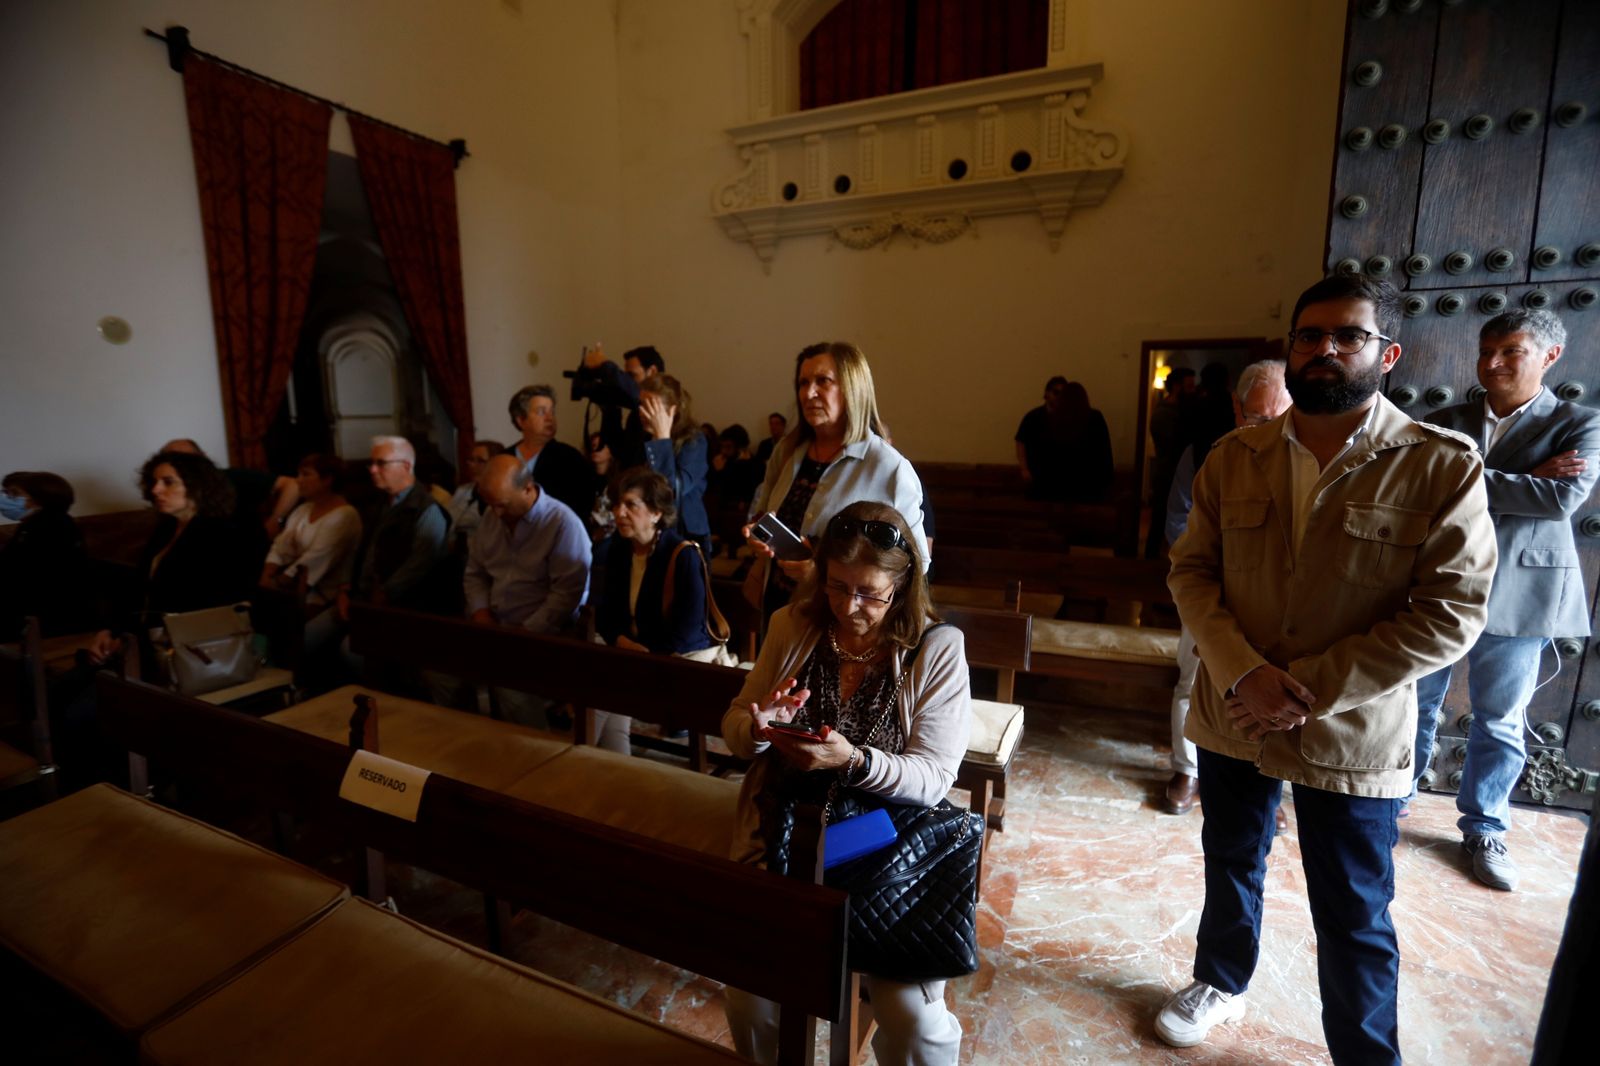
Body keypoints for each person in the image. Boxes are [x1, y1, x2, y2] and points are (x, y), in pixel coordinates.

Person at [1155, 274, 1496, 1062]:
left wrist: (1306, 691)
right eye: (1309, 336)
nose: (1325, 349)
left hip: (1352, 729)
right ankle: (1220, 978)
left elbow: (1452, 610)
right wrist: (1243, 673)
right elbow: (1192, 574)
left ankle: (1366, 1052)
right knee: (1231, 859)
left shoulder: (1438, 465)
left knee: (1353, 907)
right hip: (1235, 714)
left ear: (1388, 354)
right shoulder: (1232, 458)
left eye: (1348, 335)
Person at [721, 501, 970, 1066]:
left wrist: (853, 761)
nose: (850, 606)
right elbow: (737, 725)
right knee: (748, 997)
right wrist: (761, 728)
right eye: (837, 586)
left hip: (889, 850)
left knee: (915, 1021)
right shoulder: (794, 626)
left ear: (903, 585)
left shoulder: (937, 649)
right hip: (787, 838)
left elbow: (933, 779)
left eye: (870, 593)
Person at [1409, 308, 1600, 890]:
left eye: (1509, 351)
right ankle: (1392, 800)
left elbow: (1561, 500)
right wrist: (1525, 476)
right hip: (1439, 586)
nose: (1490, 364)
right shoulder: (1446, 418)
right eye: (1485, 350)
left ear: (1549, 356)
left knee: (1500, 719)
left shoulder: (1580, 423)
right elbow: (1423, 490)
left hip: (1525, 592)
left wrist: (1474, 476)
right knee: (1413, 707)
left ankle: (1485, 827)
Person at [1160, 361, 1292, 822]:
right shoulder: (1205, 453)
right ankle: (1187, 770)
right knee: (1193, 680)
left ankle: (1265, 783)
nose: (1267, 430)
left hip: (1281, 606)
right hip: (1210, 595)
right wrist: (1213, 581)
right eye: (1256, 418)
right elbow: (1178, 522)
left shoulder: (1309, 457)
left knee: (1277, 692)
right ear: (1236, 408)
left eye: (1278, 418)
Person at [745, 342, 928, 625]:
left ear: (852, 388)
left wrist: (823, 572)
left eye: (823, 381)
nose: (809, 393)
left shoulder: (888, 467)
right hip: (781, 611)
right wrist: (759, 535)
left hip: (842, 620)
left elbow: (917, 565)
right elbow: (763, 512)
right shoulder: (786, 452)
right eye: (803, 383)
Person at [442, 453, 589, 728]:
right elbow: (475, 573)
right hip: (495, 626)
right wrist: (481, 612)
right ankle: (469, 740)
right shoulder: (492, 516)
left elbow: (565, 597)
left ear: (528, 489)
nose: (496, 513)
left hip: (545, 635)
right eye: (491, 504)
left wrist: (524, 633)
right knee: (439, 673)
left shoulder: (562, 524)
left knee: (509, 686)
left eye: (502, 505)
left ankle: (535, 752)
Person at [87, 450, 257, 670]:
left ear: (197, 487)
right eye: (154, 482)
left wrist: (132, 641)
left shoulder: (221, 534)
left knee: (86, 691)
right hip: (150, 641)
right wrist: (110, 631)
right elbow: (140, 590)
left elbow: (199, 604)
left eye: (168, 482)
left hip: (191, 651)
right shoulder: (166, 528)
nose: (156, 489)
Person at [303, 437, 449, 689]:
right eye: (372, 463)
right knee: (306, 636)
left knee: (351, 651)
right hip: (360, 597)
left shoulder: (426, 510)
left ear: (405, 466)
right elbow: (357, 552)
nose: (372, 469)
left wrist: (380, 597)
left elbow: (417, 568)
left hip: (399, 606)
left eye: (380, 463)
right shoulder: (377, 503)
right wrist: (345, 589)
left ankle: (384, 704)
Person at [260, 453, 363, 613]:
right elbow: (280, 546)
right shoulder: (303, 509)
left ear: (327, 479)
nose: (298, 480)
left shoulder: (345, 515)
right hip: (294, 592)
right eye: (298, 474)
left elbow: (315, 558)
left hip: (327, 598)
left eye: (306, 474)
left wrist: (277, 583)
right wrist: (268, 571)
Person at [0, 471, 93, 636]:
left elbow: (28, 573)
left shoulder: (54, 525)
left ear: (39, 498)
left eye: (14, 493)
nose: (5, 498)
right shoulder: (32, 524)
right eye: (5, 492)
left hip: (49, 615)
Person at [639, 374, 711, 544]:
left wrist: (662, 438)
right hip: (647, 532)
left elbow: (671, 491)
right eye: (641, 404)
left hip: (686, 534)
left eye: (651, 406)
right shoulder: (640, 437)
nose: (642, 412)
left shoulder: (694, 440)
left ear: (672, 410)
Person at [508, 385, 591, 518]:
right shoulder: (504, 457)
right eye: (541, 412)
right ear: (521, 420)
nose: (549, 418)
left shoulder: (570, 458)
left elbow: (582, 506)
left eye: (552, 412)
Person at [1146, 368, 1197, 558]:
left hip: (1180, 475)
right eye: (1189, 386)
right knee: (1159, 522)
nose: (1193, 391)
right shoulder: (1163, 414)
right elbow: (1174, 445)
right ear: (1177, 387)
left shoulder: (1183, 410)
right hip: (1167, 475)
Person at [1014, 376, 1069, 495]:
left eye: (1063, 394)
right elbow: (1020, 442)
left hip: (1062, 478)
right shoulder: (1033, 417)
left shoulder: (1069, 418)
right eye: (1056, 392)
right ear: (1047, 393)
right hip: (1037, 476)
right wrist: (1024, 469)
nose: (1059, 397)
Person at [446, 439, 506, 549]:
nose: (472, 465)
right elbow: (448, 519)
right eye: (470, 460)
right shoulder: (462, 490)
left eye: (480, 461)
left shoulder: (502, 495)